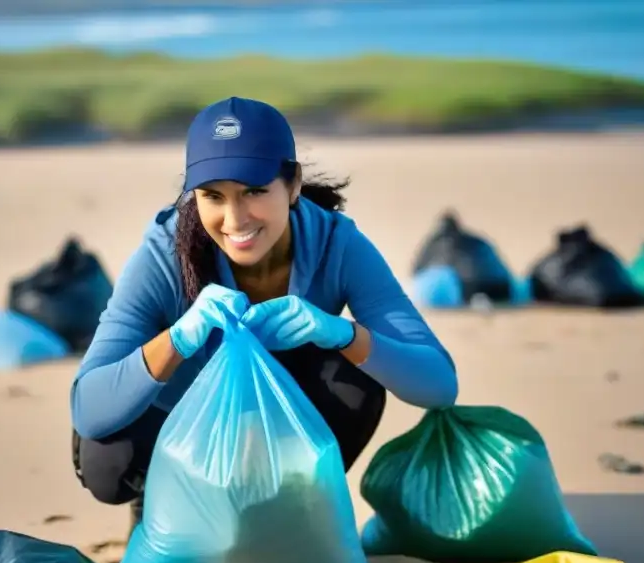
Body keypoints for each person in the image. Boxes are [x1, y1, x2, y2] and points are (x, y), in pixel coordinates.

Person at [70, 96, 458, 531]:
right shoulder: (163, 252)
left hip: (278, 431)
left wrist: (342, 333)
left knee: (357, 379)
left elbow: (439, 386)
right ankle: (160, 504)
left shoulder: (337, 244)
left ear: (292, 185)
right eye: (213, 196)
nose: (234, 219)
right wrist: (178, 339)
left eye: (254, 191)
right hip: (182, 430)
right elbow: (89, 411)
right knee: (105, 458)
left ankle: (287, 515)